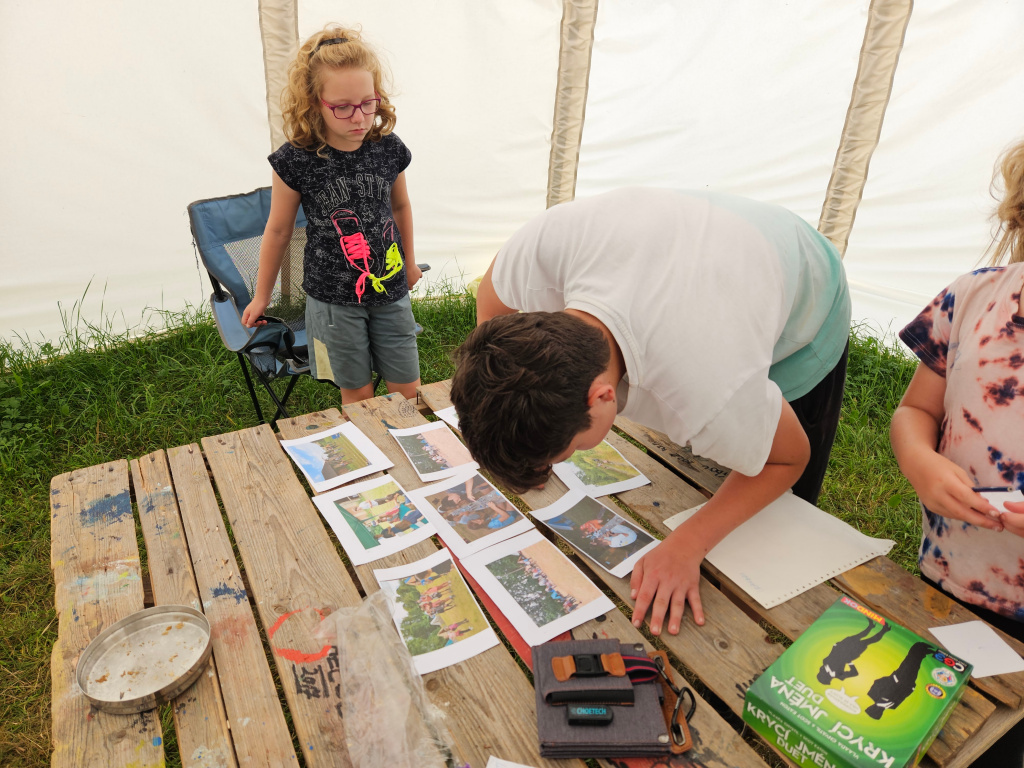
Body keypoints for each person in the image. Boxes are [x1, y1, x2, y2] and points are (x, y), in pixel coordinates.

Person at [450, 188, 851, 636]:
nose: (559, 464)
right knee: (729, 439)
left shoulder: (711, 386)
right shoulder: (541, 248)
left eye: (566, 453)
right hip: (699, 237)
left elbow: (788, 458)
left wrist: (687, 544)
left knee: (771, 491)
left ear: (602, 397)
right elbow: (492, 301)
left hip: (803, 276)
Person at [890, 141, 1024, 766]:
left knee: (1002, 740)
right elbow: (915, 410)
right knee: (926, 725)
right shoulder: (971, 298)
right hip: (951, 572)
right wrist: (920, 462)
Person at [240, 25, 422, 404]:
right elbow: (278, 231)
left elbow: (400, 207)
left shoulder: (388, 148)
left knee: (408, 393)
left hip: (390, 290)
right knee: (359, 398)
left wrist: (409, 263)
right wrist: (262, 297)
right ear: (314, 102)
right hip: (333, 301)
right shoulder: (295, 160)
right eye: (342, 107)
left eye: (368, 103)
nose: (359, 118)